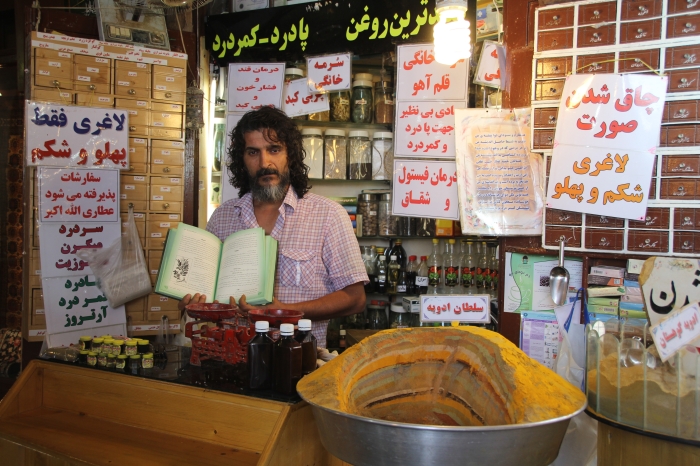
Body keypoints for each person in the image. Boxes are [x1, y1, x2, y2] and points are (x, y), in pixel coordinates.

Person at [179, 106, 368, 346]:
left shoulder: (329, 215)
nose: (265, 162)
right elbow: (208, 295)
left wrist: (284, 311)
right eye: (253, 152)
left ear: (290, 155)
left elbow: (355, 299)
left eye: (274, 149)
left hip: (298, 357)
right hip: (231, 355)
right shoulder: (222, 217)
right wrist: (195, 303)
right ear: (242, 160)